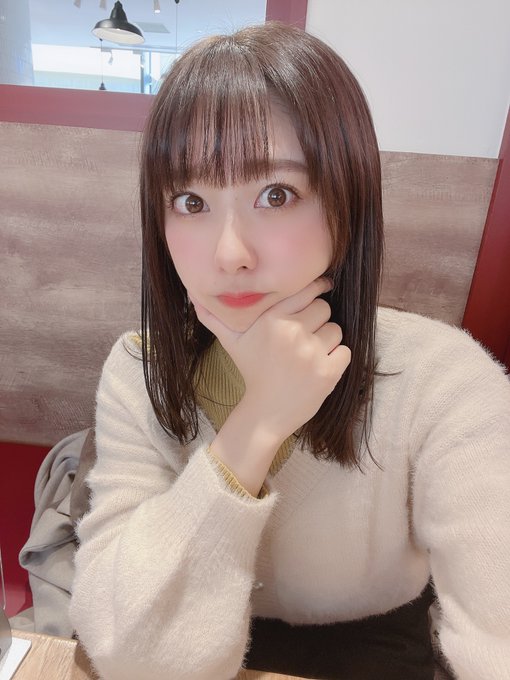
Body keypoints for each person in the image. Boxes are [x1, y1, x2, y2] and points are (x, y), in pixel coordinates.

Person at [69, 21, 510, 680]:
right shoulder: (141, 370)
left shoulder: (443, 380)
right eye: (190, 201)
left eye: (276, 194)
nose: (229, 254)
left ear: (346, 201)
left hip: (374, 650)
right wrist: (257, 423)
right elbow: (136, 659)